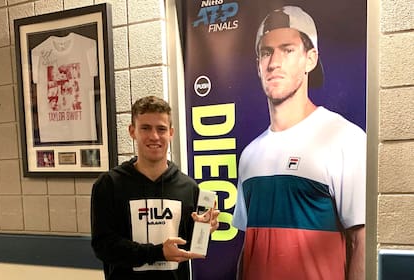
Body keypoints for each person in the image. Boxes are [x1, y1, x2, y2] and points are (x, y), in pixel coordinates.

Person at [232, 6, 366, 280]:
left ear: (311, 59)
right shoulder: (249, 155)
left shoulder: (345, 139)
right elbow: (249, 247)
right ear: (258, 64)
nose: (274, 63)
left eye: (287, 49)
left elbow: (360, 242)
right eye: (266, 52)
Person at [91, 95, 219, 280]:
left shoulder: (188, 188)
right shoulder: (109, 185)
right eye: (145, 128)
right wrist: (157, 253)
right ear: (132, 131)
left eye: (161, 129)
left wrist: (205, 231)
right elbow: (103, 246)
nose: (154, 136)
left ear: (171, 133)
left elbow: (188, 246)